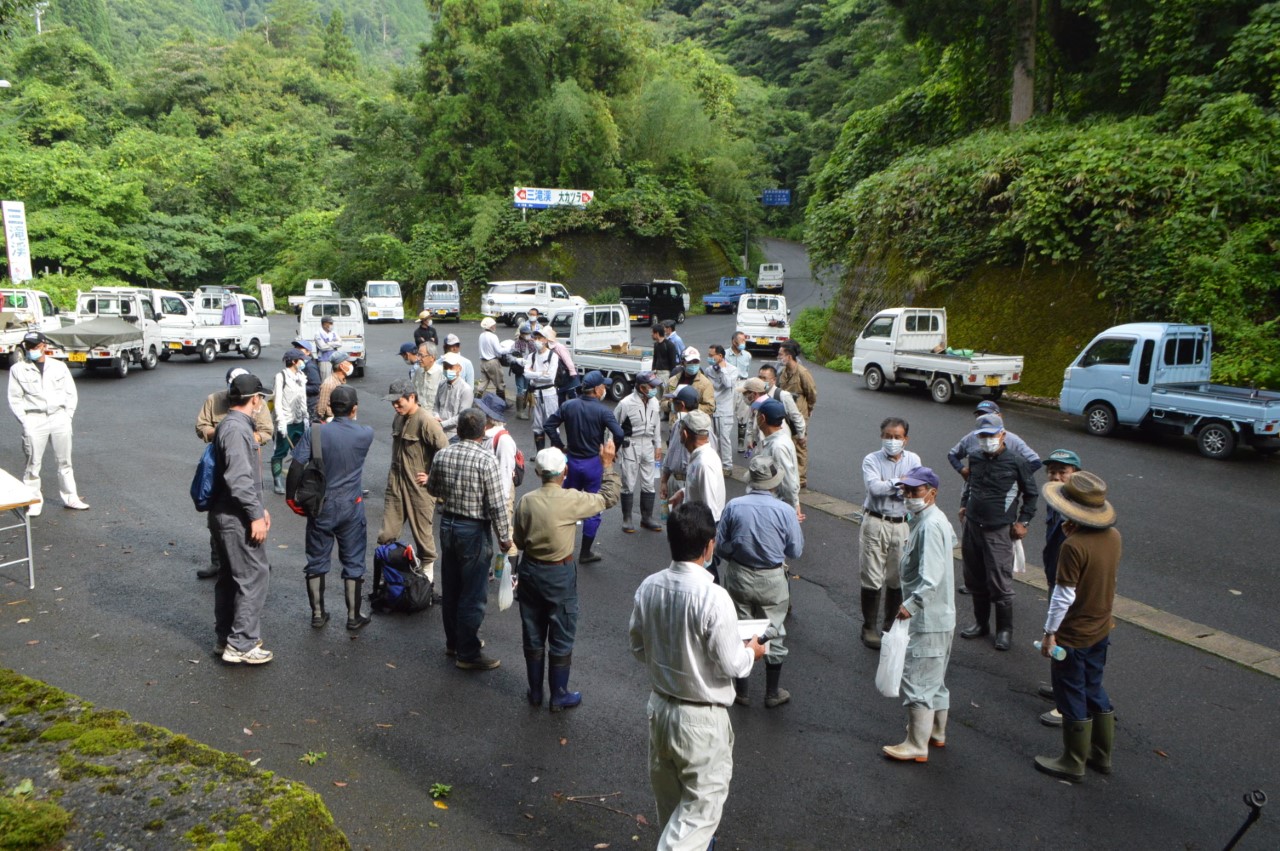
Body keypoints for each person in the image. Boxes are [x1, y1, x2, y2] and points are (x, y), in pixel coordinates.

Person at [630, 502, 767, 849]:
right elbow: (733, 665)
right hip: (701, 720)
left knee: (673, 812)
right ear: (710, 546)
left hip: (660, 709)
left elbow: (638, 647)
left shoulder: (649, 587)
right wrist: (752, 650)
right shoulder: (713, 597)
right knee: (697, 818)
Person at [515, 444, 622, 711]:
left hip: (530, 570)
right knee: (561, 631)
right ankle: (559, 694)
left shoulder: (526, 500)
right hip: (559, 573)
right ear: (564, 471)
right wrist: (607, 464)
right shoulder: (572, 499)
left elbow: (518, 539)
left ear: (538, 472)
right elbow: (608, 497)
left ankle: (536, 692)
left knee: (533, 630)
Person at [1035, 471, 1120, 783]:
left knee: (1070, 690)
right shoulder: (1113, 537)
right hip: (1101, 627)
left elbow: (1063, 596)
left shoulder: (1073, 546)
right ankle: (1102, 754)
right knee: (1093, 686)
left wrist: (1049, 633)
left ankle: (1073, 760)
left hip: (1074, 634)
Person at [427, 408, 514, 670]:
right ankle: (468, 652)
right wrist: (505, 537)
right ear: (483, 430)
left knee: (452, 588)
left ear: (460, 430)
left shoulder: (443, 454)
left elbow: (433, 488)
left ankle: (454, 642)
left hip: (448, 525)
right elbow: (498, 504)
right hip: (473, 529)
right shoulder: (486, 459)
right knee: (473, 593)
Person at [882, 466, 957, 762]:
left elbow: (931, 579)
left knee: (918, 681)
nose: (909, 496)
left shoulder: (929, 525)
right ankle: (935, 733)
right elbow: (952, 541)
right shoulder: (930, 520)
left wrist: (908, 606)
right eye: (906, 491)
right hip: (941, 616)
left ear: (932, 493)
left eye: (915, 491)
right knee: (934, 680)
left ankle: (916, 743)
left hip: (927, 618)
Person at [718, 455, 804, 708]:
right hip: (772, 578)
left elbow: (721, 546)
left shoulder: (734, 506)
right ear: (775, 484)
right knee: (773, 631)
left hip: (739, 574)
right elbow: (795, 551)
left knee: (740, 629)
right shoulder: (786, 511)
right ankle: (772, 692)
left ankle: (742, 692)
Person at [292, 385, 376, 631]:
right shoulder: (366, 434)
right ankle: (353, 616)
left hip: (322, 505)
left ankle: (318, 614)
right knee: (353, 561)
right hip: (351, 505)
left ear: (329, 407)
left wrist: (291, 499)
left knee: (317, 559)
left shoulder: (315, 432)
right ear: (355, 408)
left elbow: (297, 466)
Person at [959, 414, 1040, 651]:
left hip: (999, 530)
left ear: (1002, 435)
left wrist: (1023, 521)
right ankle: (981, 624)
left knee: (999, 581)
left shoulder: (1017, 461)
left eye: (991, 435)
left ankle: (1004, 630)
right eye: (982, 436)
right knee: (974, 577)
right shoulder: (974, 457)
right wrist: (964, 504)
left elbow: (1031, 494)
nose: (987, 440)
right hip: (973, 526)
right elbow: (970, 485)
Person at [209, 373, 274, 665]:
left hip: (227, 513)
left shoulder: (229, 425)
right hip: (235, 516)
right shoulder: (237, 430)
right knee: (253, 575)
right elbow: (238, 477)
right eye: (261, 398)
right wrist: (254, 515)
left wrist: (260, 508)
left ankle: (227, 638)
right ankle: (241, 644)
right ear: (255, 399)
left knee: (231, 578)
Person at [196, 367, 274, 579]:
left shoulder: (258, 404)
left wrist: (245, 439)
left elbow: (266, 431)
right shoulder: (214, 400)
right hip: (221, 460)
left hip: (246, 457)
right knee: (223, 515)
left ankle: (253, 561)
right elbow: (201, 426)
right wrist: (223, 434)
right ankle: (219, 561)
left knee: (250, 515)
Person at [545, 370, 625, 564]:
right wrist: (611, 454)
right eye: (603, 386)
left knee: (565, 504)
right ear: (597, 390)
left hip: (571, 462)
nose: (605, 389)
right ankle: (586, 552)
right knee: (593, 507)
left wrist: (559, 445)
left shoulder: (568, 405)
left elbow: (549, 425)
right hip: (593, 464)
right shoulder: (603, 411)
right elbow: (619, 433)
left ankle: (561, 547)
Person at [7, 330, 89, 516]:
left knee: (65, 461)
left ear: (44, 346)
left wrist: (67, 416)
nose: (31, 350)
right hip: (34, 418)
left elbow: (70, 393)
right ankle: (34, 501)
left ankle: (71, 497)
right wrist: (25, 421)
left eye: (35, 346)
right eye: (28, 346)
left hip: (59, 417)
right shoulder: (18, 369)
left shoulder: (59, 367)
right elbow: (15, 398)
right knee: (33, 463)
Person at [857, 417, 922, 649]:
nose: (892, 441)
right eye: (888, 436)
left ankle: (889, 625)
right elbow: (874, 488)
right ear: (881, 436)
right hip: (876, 522)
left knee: (897, 576)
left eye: (897, 437)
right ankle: (869, 627)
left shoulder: (913, 459)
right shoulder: (871, 459)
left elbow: (915, 489)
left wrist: (893, 484)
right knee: (872, 575)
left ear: (906, 439)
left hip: (903, 523)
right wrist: (900, 482)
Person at [378, 379, 449, 584]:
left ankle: (427, 580)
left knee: (423, 536)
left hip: (419, 488)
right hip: (396, 485)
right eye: (392, 403)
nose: (395, 406)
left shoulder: (426, 420)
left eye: (398, 402)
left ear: (412, 397)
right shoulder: (398, 418)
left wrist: (432, 476)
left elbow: (444, 450)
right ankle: (387, 575)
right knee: (386, 534)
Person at [1036, 448, 1083, 727]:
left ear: (1075, 475)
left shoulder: (1078, 505)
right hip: (1056, 574)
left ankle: (1067, 704)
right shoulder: (1055, 500)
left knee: (1066, 637)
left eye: (1062, 472)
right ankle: (1061, 688)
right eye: (1052, 471)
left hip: (1069, 581)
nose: (1055, 476)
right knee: (1061, 640)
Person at [613, 371, 663, 533]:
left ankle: (646, 517)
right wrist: (613, 448)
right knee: (628, 481)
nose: (655, 389)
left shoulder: (655, 402)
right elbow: (614, 427)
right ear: (642, 387)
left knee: (649, 482)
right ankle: (627, 518)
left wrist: (658, 446)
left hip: (648, 444)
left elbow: (657, 426)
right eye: (651, 386)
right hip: (631, 445)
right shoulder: (626, 404)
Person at [948, 400, 1042, 478]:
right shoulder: (971, 437)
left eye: (988, 415)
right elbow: (952, 455)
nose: (984, 419)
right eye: (980, 415)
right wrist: (962, 470)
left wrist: (1015, 478)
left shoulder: (1013, 440)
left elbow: (1035, 461)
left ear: (999, 416)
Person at [667, 410, 725, 525]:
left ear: (685, 434)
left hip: (700, 532)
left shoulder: (704, 464)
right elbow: (700, 487)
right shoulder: (701, 456)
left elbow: (711, 512)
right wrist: (683, 493)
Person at [479, 393, 519, 550]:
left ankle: (510, 572)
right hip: (485, 491)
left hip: (500, 494)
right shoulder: (484, 434)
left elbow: (505, 473)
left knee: (505, 536)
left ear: (489, 416)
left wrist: (500, 504)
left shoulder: (503, 440)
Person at [777, 341, 818, 489]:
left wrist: (809, 408)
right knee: (787, 444)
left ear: (789, 356)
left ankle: (800, 479)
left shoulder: (802, 372)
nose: (779, 357)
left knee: (800, 444)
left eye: (781, 354)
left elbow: (812, 393)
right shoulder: (782, 372)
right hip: (785, 414)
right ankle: (787, 476)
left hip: (799, 413)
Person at [753, 398, 801, 517]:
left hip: (775, 507)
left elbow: (788, 481)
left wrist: (794, 507)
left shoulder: (777, 446)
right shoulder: (780, 439)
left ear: (763, 418)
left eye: (757, 414)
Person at [270, 351, 309, 495]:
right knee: (280, 452)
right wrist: (280, 421)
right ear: (293, 361)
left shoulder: (301, 377)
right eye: (301, 359)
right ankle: (277, 480)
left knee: (300, 453)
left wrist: (305, 417)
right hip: (285, 421)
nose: (303, 362)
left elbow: (303, 398)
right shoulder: (281, 377)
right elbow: (277, 401)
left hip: (299, 420)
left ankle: (296, 479)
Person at [740, 373, 805, 454]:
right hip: (764, 444)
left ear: (754, 394)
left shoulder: (779, 445)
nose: (743, 396)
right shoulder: (755, 404)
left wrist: (801, 436)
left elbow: (796, 416)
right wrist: (750, 438)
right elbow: (751, 420)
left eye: (745, 393)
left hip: (773, 445)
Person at [525, 326, 566, 450]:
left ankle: (555, 453)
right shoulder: (531, 356)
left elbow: (550, 378)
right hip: (536, 394)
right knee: (537, 425)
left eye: (540, 338)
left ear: (546, 340)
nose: (537, 340)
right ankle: (540, 454)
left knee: (552, 424)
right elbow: (526, 374)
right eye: (535, 338)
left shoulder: (552, 356)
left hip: (549, 393)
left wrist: (534, 376)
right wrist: (540, 374)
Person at [659, 385, 700, 506]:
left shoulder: (702, 427)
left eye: (673, 402)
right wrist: (664, 481)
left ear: (681, 405)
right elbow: (670, 453)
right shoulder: (677, 424)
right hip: (674, 480)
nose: (671, 404)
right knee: (672, 520)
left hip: (690, 483)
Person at [706, 345, 739, 476]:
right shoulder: (709, 370)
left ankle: (727, 466)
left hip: (725, 410)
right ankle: (714, 464)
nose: (709, 358)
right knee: (711, 438)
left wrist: (723, 369)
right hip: (712, 409)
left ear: (720, 356)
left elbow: (728, 384)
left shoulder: (733, 370)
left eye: (711, 355)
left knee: (724, 438)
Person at [663, 346, 714, 417]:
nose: (693, 364)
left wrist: (689, 408)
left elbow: (710, 407)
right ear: (683, 362)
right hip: (675, 424)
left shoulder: (705, 384)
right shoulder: (673, 381)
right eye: (690, 362)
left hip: (694, 425)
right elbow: (662, 403)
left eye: (696, 361)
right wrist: (670, 405)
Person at [434, 351, 474, 440]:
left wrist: (442, 424)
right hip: (439, 432)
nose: (447, 370)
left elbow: (462, 416)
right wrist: (436, 416)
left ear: (459, 368)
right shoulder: (441, 385)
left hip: (454, 435)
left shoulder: (466, 390)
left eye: (451, 367)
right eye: (445, 367)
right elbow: (436, 405)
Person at [725, 332, 752, 452]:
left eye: (744, 340)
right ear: (734, 342)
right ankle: (725, 441)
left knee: (743, 414)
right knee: (728, 413)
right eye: (741, 341)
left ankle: (741, 442)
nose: (743, 343)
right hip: (730, 384)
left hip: (743, 383)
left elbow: (747, 370)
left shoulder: (747, 355)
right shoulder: (725, 354)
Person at [510, 322, 538, 420]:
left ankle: (523, 407)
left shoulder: (531, 343)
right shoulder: (516, 344)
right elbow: (510, 356)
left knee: (527, 389)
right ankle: (520, 412)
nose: (527, 336)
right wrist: (518, 360)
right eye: (526, 334)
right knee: (520, 389)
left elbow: (536, 353)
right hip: (520, 370)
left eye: (528, 334)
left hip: (528, 369)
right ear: (521, 334)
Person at [315, 352, 353, 422]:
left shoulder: (341, 380)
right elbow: (321, 409)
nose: (350, 364)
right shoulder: (329, 384)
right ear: (341, 366)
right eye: (348, 362)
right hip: (332, 420)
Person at [476, 316, 507, 401]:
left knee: (482, 384)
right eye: (493, 325)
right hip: (492, 362)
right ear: (490, 326)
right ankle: (501, 404)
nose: (495, 326)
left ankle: (476, 401)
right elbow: (499, 351)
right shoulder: (493, 336)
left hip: (483, 362)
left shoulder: (481, 335)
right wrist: (510, 349)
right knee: (500, 385)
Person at [291, 338, 322, 422]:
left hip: (310, 406)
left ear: (308, 352)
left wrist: (298, 387)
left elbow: (316, 387)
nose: (297, 351)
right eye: (296, 348)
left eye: (300, 349)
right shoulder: (300, 365)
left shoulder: (310, 366)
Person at [414, 341, 442, 416]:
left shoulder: (441, 373)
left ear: (432, 357)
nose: (418, 358)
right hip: (418, 413)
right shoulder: (418, 371)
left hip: (433, 417)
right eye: (418, 355)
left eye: (421, 356)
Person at [650, 324, 678, 396]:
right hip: (657, 373)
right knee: (657, 395)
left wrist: (672, 376)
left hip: (666, 374)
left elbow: (673, 362)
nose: (651, 335)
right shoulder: (656, 345)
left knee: (665, 395)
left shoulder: (669, 345)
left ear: (657, 333)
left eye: (653, 333)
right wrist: (653, 370)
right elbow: (655, 358)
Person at [314, 316, 341, 381]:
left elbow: (340, 343)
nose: (332, 325)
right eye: (330, 323)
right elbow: (322, 347)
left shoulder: (333, 333)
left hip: (333, 359)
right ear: (324, 324)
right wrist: (333, 344)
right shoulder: (318, 334)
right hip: (324, 360)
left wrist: (329, 343)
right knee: (325, 380)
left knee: (334, 379)